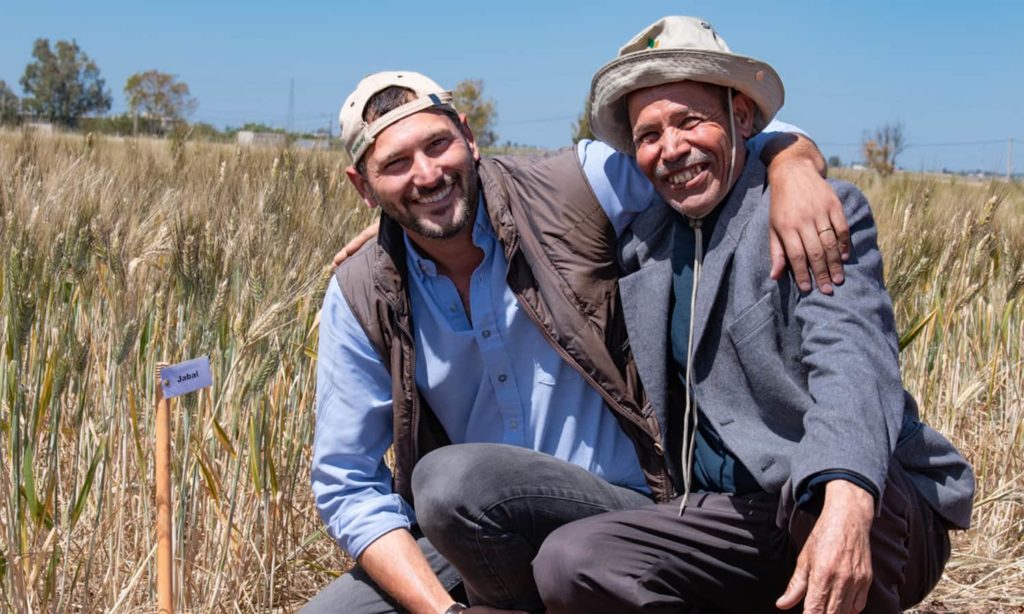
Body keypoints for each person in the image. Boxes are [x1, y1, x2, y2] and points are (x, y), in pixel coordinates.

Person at [306, 69, 842, 614]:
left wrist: (791, 164)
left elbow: (715, 143)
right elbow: (347, 481)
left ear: (468, 137)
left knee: (449, 482)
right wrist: (440, 612)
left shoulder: (570, 186)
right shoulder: (361, 291)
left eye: (437, 146)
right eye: (396, 165)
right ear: (364, 187)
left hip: (620, 506)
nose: (427, 174)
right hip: (475, 531)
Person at [532, 16, 975, 614]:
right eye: (649, 134)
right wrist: (383, 235)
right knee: (571, 562)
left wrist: (845, 499)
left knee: (834, 492)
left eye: (691, 121)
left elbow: (852, 355)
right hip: (732, 517)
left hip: (857, 499)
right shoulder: (641, 245)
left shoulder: (809, 213)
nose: (672, 149)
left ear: (742, 118)